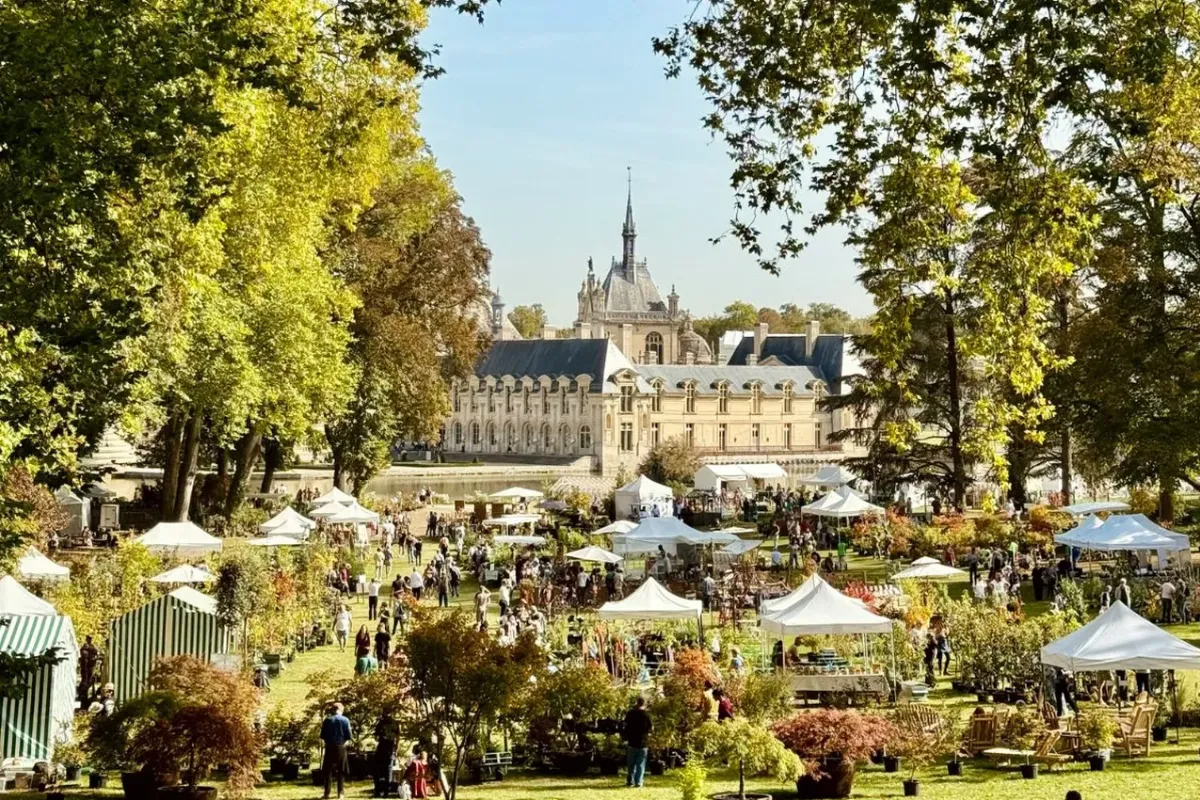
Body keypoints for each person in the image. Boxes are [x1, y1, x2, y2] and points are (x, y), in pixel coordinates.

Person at [320, 702, 352, 799]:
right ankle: (340, 793)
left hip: (329, 746)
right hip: (340, 746)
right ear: (340, 710)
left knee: (328, 771)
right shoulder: (345, 720)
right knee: (341, 770)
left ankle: (327, 793)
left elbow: (323, 735)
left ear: (333, 710)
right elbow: (349, 736)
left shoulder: (327, 720)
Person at [622, 697, 652, 788]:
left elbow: (625, 726)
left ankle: (630, 781)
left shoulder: (630, 714)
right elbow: (650, 728)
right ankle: (638, 782)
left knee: (631, 763)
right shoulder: (646, 715)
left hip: (632, 741)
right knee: (640, 764)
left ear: (636, 703)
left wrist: (625, 738)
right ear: (644, 704)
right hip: (643, 742)